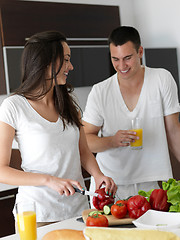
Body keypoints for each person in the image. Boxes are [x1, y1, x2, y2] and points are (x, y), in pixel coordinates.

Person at [0, 31, 117, 226]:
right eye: (66, 60)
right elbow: (2, 170)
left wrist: (98, 175)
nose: (71, 66)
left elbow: (83, 152)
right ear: (46, 61)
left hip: (77, 210)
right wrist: (49, 180)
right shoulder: (13, 106)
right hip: (37, 214)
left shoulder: (68, 102)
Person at [82, 26, 180, 204]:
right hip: (111, 186)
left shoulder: (161, 79)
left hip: (153, 183)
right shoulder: (100, 91)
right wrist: (112, 140)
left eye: (127, 58)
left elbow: (174, 131)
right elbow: (85, 140)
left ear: (140, 52)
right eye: (115, 59)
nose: (121, 66)